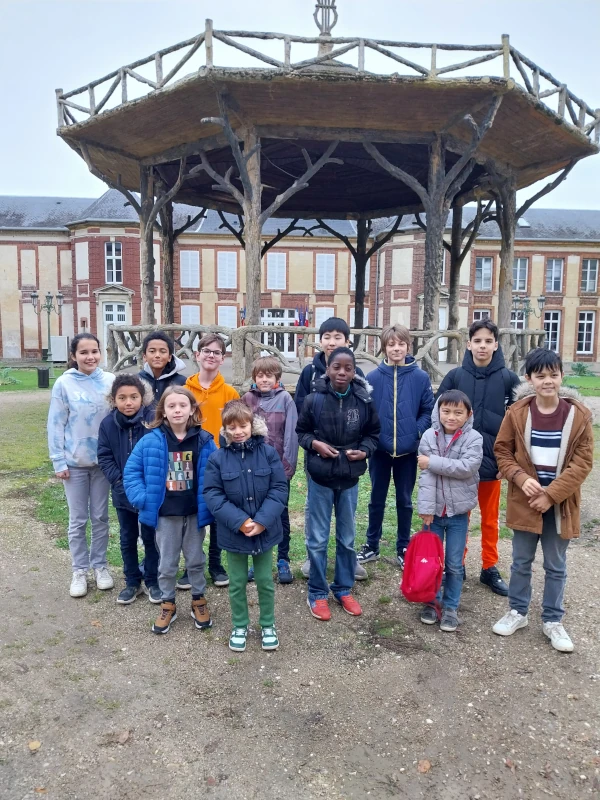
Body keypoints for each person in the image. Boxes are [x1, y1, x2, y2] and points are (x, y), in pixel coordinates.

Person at [492, 349, 593, 653]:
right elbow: (502, 451)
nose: (547, 381)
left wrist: (550, 494)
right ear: (529, 379)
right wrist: (522, 479)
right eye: (540, 375)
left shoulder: (578, 415)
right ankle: (518, 612)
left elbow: (582, 462)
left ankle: (552, 620)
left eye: (553, 375)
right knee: (521, 560)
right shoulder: (518, 412)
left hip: (560, 504)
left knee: (556, 564)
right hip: (526, 500)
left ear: (561, 376)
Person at [436, 319, 520, 595]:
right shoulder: (455, 377)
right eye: (478, 341)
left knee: (490, 518)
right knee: (459, 518)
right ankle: (455, 566)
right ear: (468, 344)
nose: (482, 346)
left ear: (496, 345)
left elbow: (520, 425)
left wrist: (508, 463)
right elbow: (437, 420)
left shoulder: (509, 379)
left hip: (493, 465)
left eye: (488, 341)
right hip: (460, 466)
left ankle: (489, 567)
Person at [123, 386, 217, 635]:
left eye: (183, 405)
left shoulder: (205, 440)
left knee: (196, 560)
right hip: (165, 515)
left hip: (194, 513)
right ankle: (168, 603)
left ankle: (198, 599)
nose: (177, 410)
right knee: (167, 562)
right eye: (171, 406)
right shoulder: (151, 441)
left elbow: (216, 473)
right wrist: (143, 499)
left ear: (192, 410)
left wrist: (211, 501)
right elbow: (131, 472)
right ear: (163, 411)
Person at [296, 347, 380, 621]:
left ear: (354, 371)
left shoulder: (364, 400)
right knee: (318, 538)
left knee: (347, 538)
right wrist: (315, 444)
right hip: (320, 477)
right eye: (337, 367)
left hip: (350, 477)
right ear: (327, 369)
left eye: (348, 368)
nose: (342, 372)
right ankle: (317, 592)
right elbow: (302, 433)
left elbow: (373, 434)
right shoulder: (313, 400)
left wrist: (365, 451)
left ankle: (343, 588)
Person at [204, 400, 288, 652]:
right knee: (237, 582)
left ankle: (267, 624)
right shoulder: (217, 459)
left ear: (252, 425)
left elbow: (279, 488)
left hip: (265, 531)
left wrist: (262, 520)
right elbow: (213, 494)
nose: (238, 431)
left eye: (243, 425)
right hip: (234, 533)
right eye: (232, 427)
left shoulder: (269, 453)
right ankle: (240, 624)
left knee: (264, 580)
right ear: (225, 430)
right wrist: (240, 522)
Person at [294, 316, 367, 581]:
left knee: (347, 510)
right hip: (317, 452)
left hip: (348, 458)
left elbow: (366, 417)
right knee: (315, 506)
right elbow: (301, 408)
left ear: (347, 341)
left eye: (338, 337)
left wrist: (361, 448)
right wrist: (315, 443)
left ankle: (348, 559)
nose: (332, 341)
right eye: (327, 337)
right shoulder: (309, 372)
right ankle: (313, 557)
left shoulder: (356, 373)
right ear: (320, 340)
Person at [358, 324, 434, 570]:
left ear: (408, 346)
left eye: (401, 343)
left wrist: (416, 432)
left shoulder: (420, 377)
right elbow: (367, 412)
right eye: (391, 344)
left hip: (408, 451)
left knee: (404, 499)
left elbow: (428, 410)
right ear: (384, 347)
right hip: (380, 450)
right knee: (376, 498)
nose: (396, 348)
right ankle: (372, 545)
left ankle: (403, 546)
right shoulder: (373, 378)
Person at [47, 333, 115, 598]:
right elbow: (56, 423)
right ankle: (79, 570)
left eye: (95, 351)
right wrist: (58, 460)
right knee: (78, 520)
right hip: (74, 464)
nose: (90, 357)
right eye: (84, 352)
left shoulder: (109, 381)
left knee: (100, 517)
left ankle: (100, 566)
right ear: (74, 356)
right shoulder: (64, 384)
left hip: (103, 463)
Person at [416, 390, 483, 631]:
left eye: (458, 412)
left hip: (458, 514)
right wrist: (425, 509)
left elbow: (466, 467)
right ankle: (432, 602)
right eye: (446, 411)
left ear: (468, 414)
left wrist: (432, 462)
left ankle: (451, 606)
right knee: (432, 561)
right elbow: (426, 478)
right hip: (433, 512)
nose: (451, 417)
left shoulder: (474, 438)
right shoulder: (428, 436)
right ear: (438, 412)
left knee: (454, 564)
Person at [98, 374, 160, 605]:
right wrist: (118, 481)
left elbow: (160, 451)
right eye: (122, 398)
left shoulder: (153, 420)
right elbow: (104, 456)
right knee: (127, 537)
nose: (128, 402)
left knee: (151, 536)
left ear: (142, 398)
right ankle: (132, 581)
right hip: (123, 493)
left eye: (134, 397)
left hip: (150, 493)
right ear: (114, 400)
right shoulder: (108, 424)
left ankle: (152, 580)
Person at [184, 333, 239, 588]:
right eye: (206, 350)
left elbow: (236, 429)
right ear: (197, 355)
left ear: (222, 358)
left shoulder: (229, 393)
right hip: (188, 461)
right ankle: (191, 564)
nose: (211, 355)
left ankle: (216, 564)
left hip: (220, 463)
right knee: (190, 514)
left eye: (216, 352)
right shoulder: (184, 391)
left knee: (217, 514)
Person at [242, 356, 298, 584]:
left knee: (280, 514)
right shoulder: (247, 399)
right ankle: (257, 558)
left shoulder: (286, 399)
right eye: (260, 375)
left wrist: (287, 468)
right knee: (254, 513)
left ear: (277, 378)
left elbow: (291, 436)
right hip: (252, 470)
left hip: (278, 470)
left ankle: (283, 559)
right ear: (255, 377)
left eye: (269, 375)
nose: (264, 379)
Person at [138, 331, 187, 407]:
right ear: (144, 356)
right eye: (152, 351)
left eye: (162, 351)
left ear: (170, 357)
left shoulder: (182, 382)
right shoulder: (137, 381)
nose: (157, 355)